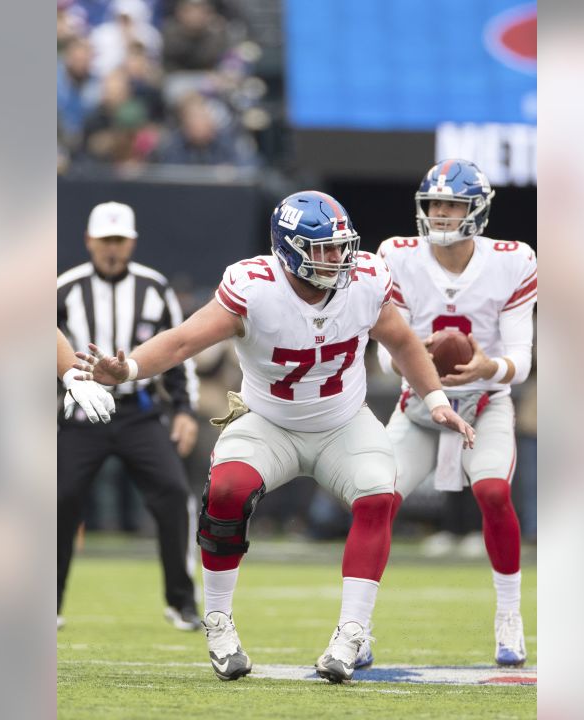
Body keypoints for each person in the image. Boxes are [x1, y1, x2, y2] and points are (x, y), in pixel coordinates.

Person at [79, 191, 476, 683]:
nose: (337, 259)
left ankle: (352, 632)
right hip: (269, 421)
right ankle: (219, 622)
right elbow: (184, 340)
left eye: (340, 246)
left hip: (342, 422)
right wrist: (132, 367)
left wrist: (436, 401)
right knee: (225, 492)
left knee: (379, 494)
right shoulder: (254, 287)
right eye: (323, 250)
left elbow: (402, 341)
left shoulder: (366, 280)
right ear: (288, 250)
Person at [375, 159, 537, 667]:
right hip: (421, 405)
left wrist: (490, 365)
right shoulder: (396, 256)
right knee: (374, 503)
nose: (442, 214)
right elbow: (384, 357)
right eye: (435, 204)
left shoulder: (513, 261)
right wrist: (414, 354)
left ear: (477, 210)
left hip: (483, 401)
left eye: (453, 204)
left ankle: (509, 616)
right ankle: (355, 626)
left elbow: (522, 360)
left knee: (492, 490)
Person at [57, 202, 202, 632]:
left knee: (174, 495)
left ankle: (182, 601)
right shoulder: (65, 288)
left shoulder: (154, 288)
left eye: (119, 241)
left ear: (132, 242)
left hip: (137, 411)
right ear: (89, 241)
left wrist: (184, 410)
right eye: (105, 241)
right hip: (81, 412)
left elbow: (178, 353)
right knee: (58, 500)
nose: (112, 250)